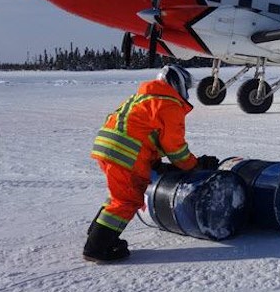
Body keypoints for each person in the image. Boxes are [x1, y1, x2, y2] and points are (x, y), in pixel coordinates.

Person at [83, 64, 219, 263]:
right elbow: (175, 148)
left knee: (118, 196)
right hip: (125, 153)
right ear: (177, 83)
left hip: (107, 148)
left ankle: (98, 233)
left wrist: (154, 162)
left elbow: (144, 131)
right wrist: (195, 166)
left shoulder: (143, 97)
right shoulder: (169, 104)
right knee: (127, 201)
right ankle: (97, 247)